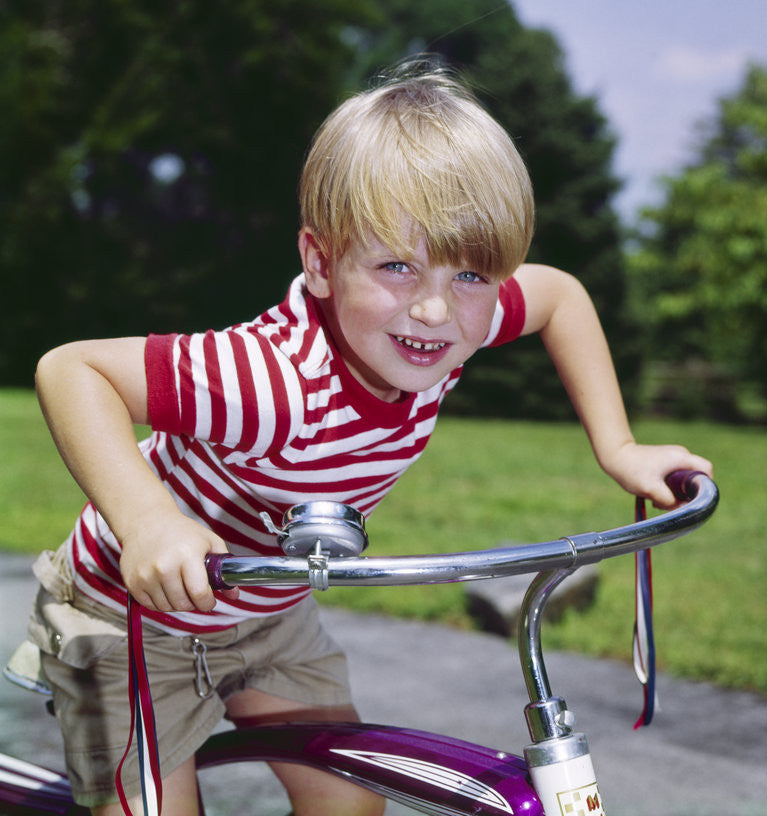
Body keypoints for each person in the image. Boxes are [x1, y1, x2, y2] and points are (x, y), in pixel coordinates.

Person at [30, 66, 712, 816]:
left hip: (266, 613)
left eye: (472, 275)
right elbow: (72, 370)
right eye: (395, 266)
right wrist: (149, 521)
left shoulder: (456, 322)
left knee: (352, 802)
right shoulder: (271, 381)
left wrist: (617, 447)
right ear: (321, 263)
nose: (432, 309)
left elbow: (559, 297)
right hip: (132, 620)